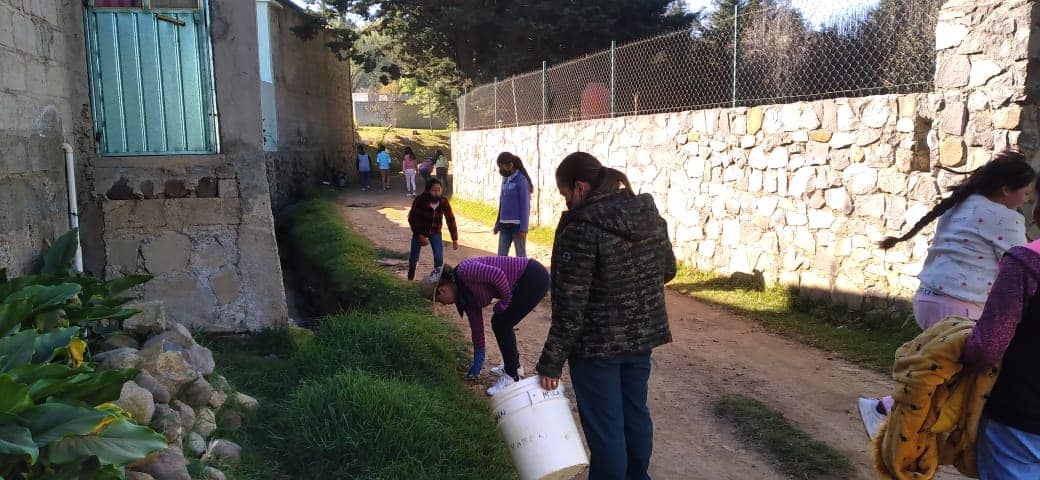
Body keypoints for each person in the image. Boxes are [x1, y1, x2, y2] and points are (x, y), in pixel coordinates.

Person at [858, 150, 1035, 438]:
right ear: (1006, 191)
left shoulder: (962, 204)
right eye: (1025, 193)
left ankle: (909, 427)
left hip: (930, 299)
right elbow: (1023, 263)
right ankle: (884, 411)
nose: (1026, 200)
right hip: (961, 309)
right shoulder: (1006, 219)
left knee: (944, 373)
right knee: (960, 376)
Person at [536, 152, 675, 480]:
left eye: (565, 194)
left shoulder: (581, 228)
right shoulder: (646, 214)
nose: (567, 202)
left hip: (596, 347)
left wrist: (550, 363)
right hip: (641, 340)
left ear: (580, 187)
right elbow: (667, 270)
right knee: (635, 417)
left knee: (607, 431)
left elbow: (571, 305)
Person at [963, 171, 1040, 479]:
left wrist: (958, 354)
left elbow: (988, 346)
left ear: (1037, 211)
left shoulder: (1025, 263)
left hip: (1019, 420)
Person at [421, 256, 550, 396]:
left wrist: (505, 301)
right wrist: (478, 360)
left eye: (439, 301)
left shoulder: (466, 271)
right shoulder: (464, 296)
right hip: (523, 281)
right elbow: (477, 329)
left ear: (442, 290)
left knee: (502, 323)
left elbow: (498, 275)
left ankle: (512, 376)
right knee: (501, 321)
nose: (443, 304)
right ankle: (514, 367)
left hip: (532, 276)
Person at [406, 178, 458, 281]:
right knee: (413, 257)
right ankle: (411, 271)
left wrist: (454, 239)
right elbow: (411, 218)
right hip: (420, 231)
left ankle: (436, 277)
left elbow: (450, 219)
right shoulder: (420, 200)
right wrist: (419, 235)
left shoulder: (443, 201)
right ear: (428, 191)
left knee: (439, 257)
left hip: (435, 232)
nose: (437, 193)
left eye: (439, 190)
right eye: (434, 190)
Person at [494, 152, 533, 257]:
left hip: (517, 227)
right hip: (503, 225)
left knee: (520, 257)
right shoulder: (505, 180)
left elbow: (525, 205)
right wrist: (497, 223)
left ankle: (523, 274)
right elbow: (502, 203)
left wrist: (524, 228)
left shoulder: (521, 180)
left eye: (501, 167)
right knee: (500, 257)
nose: (500, 170)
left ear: (510, 166)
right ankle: (501, 274)